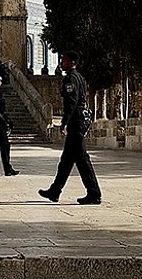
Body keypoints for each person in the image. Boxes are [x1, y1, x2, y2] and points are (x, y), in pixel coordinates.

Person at [38, 50, 101, 205]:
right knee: (67, 160)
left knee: (82, 160)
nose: (61, 62)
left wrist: (64, 122)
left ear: (72, 62)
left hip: (76, 122)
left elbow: (71, 103)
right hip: (80, 120)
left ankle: (94, 193)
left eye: (64, 60)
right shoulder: (78, 76)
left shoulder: (71, 79)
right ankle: (55, 191)